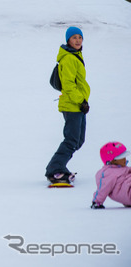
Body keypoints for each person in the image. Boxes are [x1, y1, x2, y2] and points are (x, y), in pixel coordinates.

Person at [45, 26, 90, 185]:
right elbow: (69, 85)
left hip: (78, 105)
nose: (77, 40)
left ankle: (57, 166)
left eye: (80, 37)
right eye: (74, 38)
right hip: (72, 105)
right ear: (68, 40)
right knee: (71, 140)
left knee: (78, 141)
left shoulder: (75, 55)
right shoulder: (69, 58)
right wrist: (81, 101)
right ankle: (55, 169)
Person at [91, 142, 131, 209]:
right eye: (121, 158)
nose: (125, 159)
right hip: (127, 192)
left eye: (125, 157)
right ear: (112, 161)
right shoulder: (108, 173)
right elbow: (103, 188)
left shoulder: (122, 168)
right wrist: (97, 202)